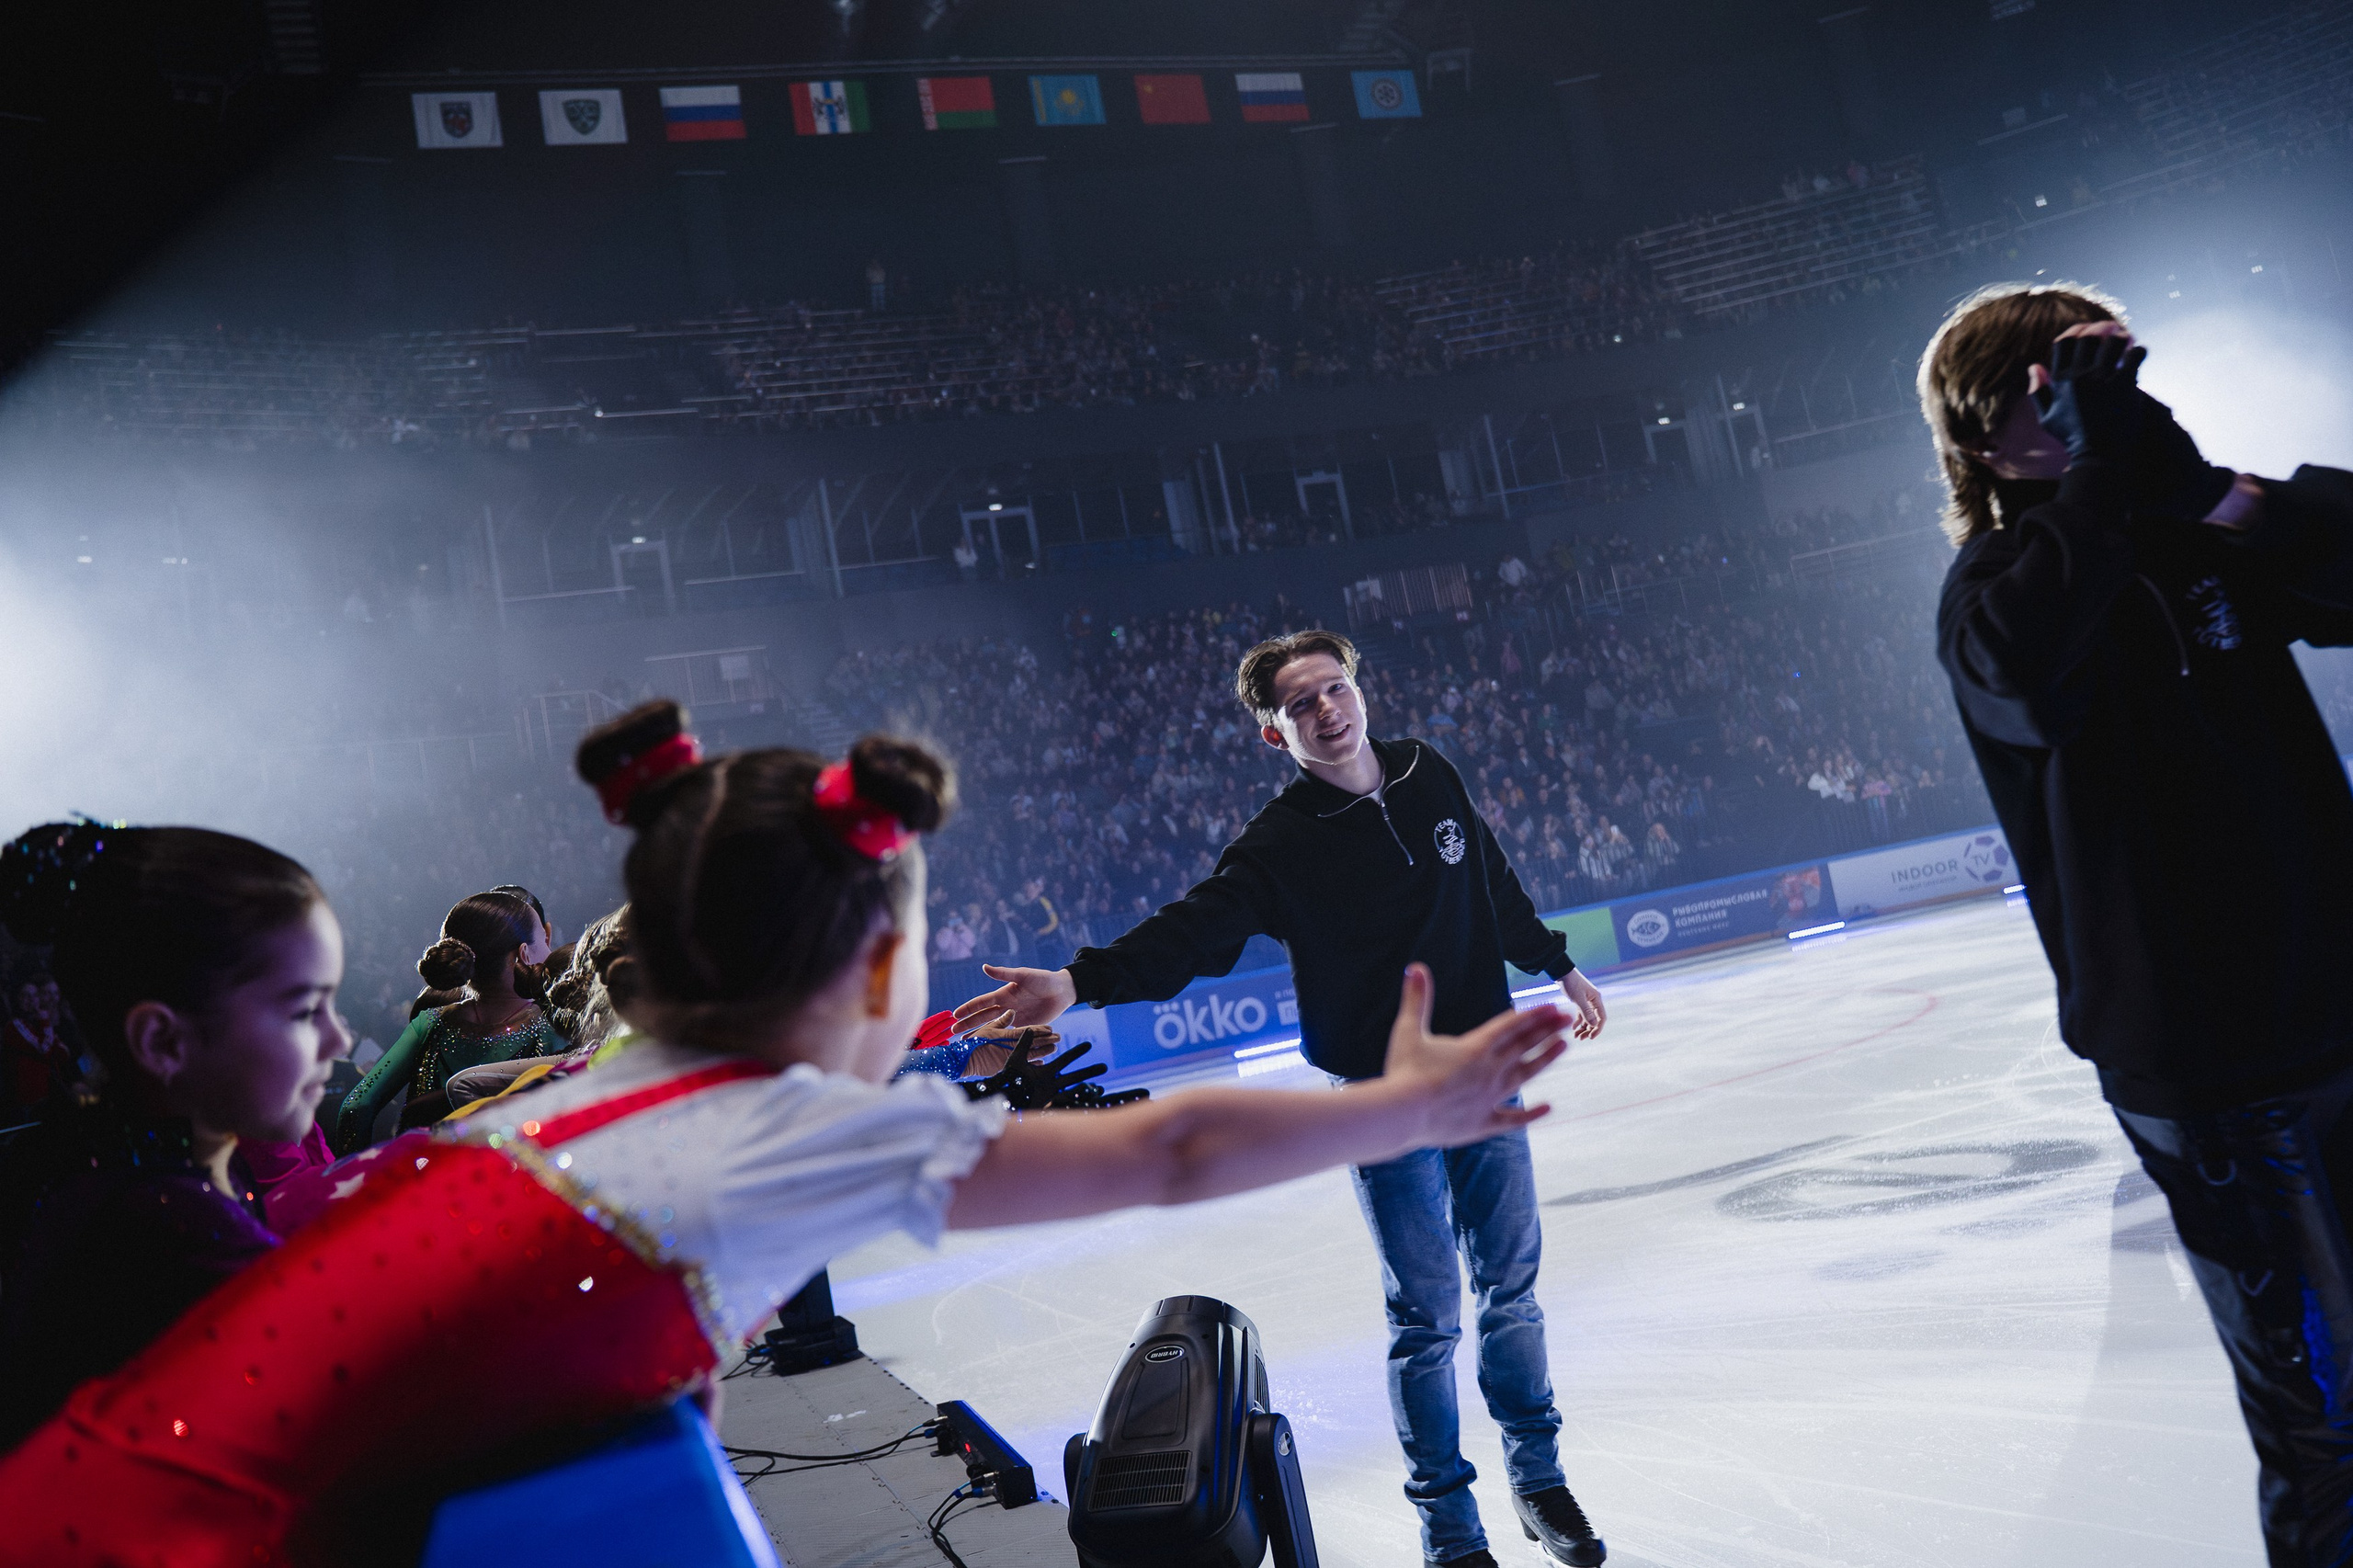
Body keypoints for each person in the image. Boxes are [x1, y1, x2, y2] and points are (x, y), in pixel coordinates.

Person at [0, 704, 1575, 1564]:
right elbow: (1166, 1157)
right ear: (876, 967)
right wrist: (1413, 1103)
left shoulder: (593, 1085)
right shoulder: (783, 1134)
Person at [951, 629, 1612, 1568]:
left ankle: (1538, 1478)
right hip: (1379, 1102)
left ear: (1359, 690)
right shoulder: (1280, 846)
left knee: (1511, 1289)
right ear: (1274, 733)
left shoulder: (1429, 772)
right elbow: (1191, 933)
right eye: (1300, 704)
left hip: (1479, 1076)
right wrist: (1076, 979)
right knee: (1425, 1316)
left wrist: (1554, 962)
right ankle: (1450, 1532)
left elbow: (1490, 878)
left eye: (1333, 688)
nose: (1326, 711)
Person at [1926, 280, 2353, 1563]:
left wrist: (2204, 484)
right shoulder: (1996, 583)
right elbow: (2021, 669)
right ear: (1988, 436)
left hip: (2338, 1010)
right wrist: (2109, 479)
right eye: (2049, 386)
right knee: (2326, 1421)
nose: (2082, 404)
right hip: (2214, 1074)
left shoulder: (2192, 533)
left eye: (2101, 374)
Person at [0, 821, 352, 1449]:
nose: (338, 1041)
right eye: (303, 1012)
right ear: (162, 1041)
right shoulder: (169, 1227)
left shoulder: (127, 1156)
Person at [334, 891, 565, 1151]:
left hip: (422, 1175)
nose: (549, 949)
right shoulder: (554, 1027)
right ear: (525, 954)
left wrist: (358, 1175)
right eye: (544, 941)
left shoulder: (429, 1023)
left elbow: (357, 1105)